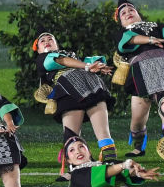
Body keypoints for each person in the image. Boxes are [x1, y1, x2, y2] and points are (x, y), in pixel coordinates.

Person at [34, 30, 118, 175]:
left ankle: (112, 166)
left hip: (91, 85)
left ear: (57, 44)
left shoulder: (73, 56)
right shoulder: (43, 58)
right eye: (43, 41)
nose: (47, 41)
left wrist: (98, 65)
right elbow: (61, 61)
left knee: (103, 133)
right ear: (38, 49)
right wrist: (87, 66)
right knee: (71, 138)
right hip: (67, 90)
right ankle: (74, 172)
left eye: (50, 39)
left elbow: (93, 61)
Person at [113, 0, 164, 158]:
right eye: (123, 13)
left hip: (161, 65)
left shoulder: (157, 25)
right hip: (138, 73)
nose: (128, 13)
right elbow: (130, 41)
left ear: (138, 13)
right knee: (137, 120)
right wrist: (151, 40)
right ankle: (139, 146)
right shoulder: (123, 32)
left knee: (163, 99)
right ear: (120, 21)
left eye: (131, 10)